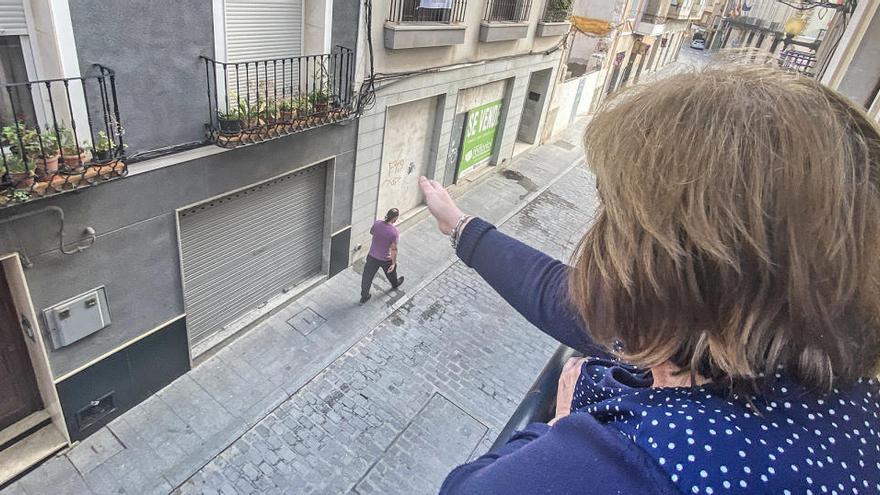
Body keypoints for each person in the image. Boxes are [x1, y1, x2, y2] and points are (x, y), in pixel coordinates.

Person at [419, 65, 880, 494]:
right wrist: (459, 226)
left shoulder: (625, 464)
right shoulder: (843, 402)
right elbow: (565, 300)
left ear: (676, 274)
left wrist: (559, 427)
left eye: (617, 218)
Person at [360, 208, 404, 304]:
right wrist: (393, 263)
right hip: (386, 259)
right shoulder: (394, 232)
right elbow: (394, 249)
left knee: (367, 277)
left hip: (372, 256)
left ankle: (364, 296)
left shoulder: (377, 223)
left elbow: (371, 232)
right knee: (391, 274)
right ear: (395, 218)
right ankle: (395, 284)